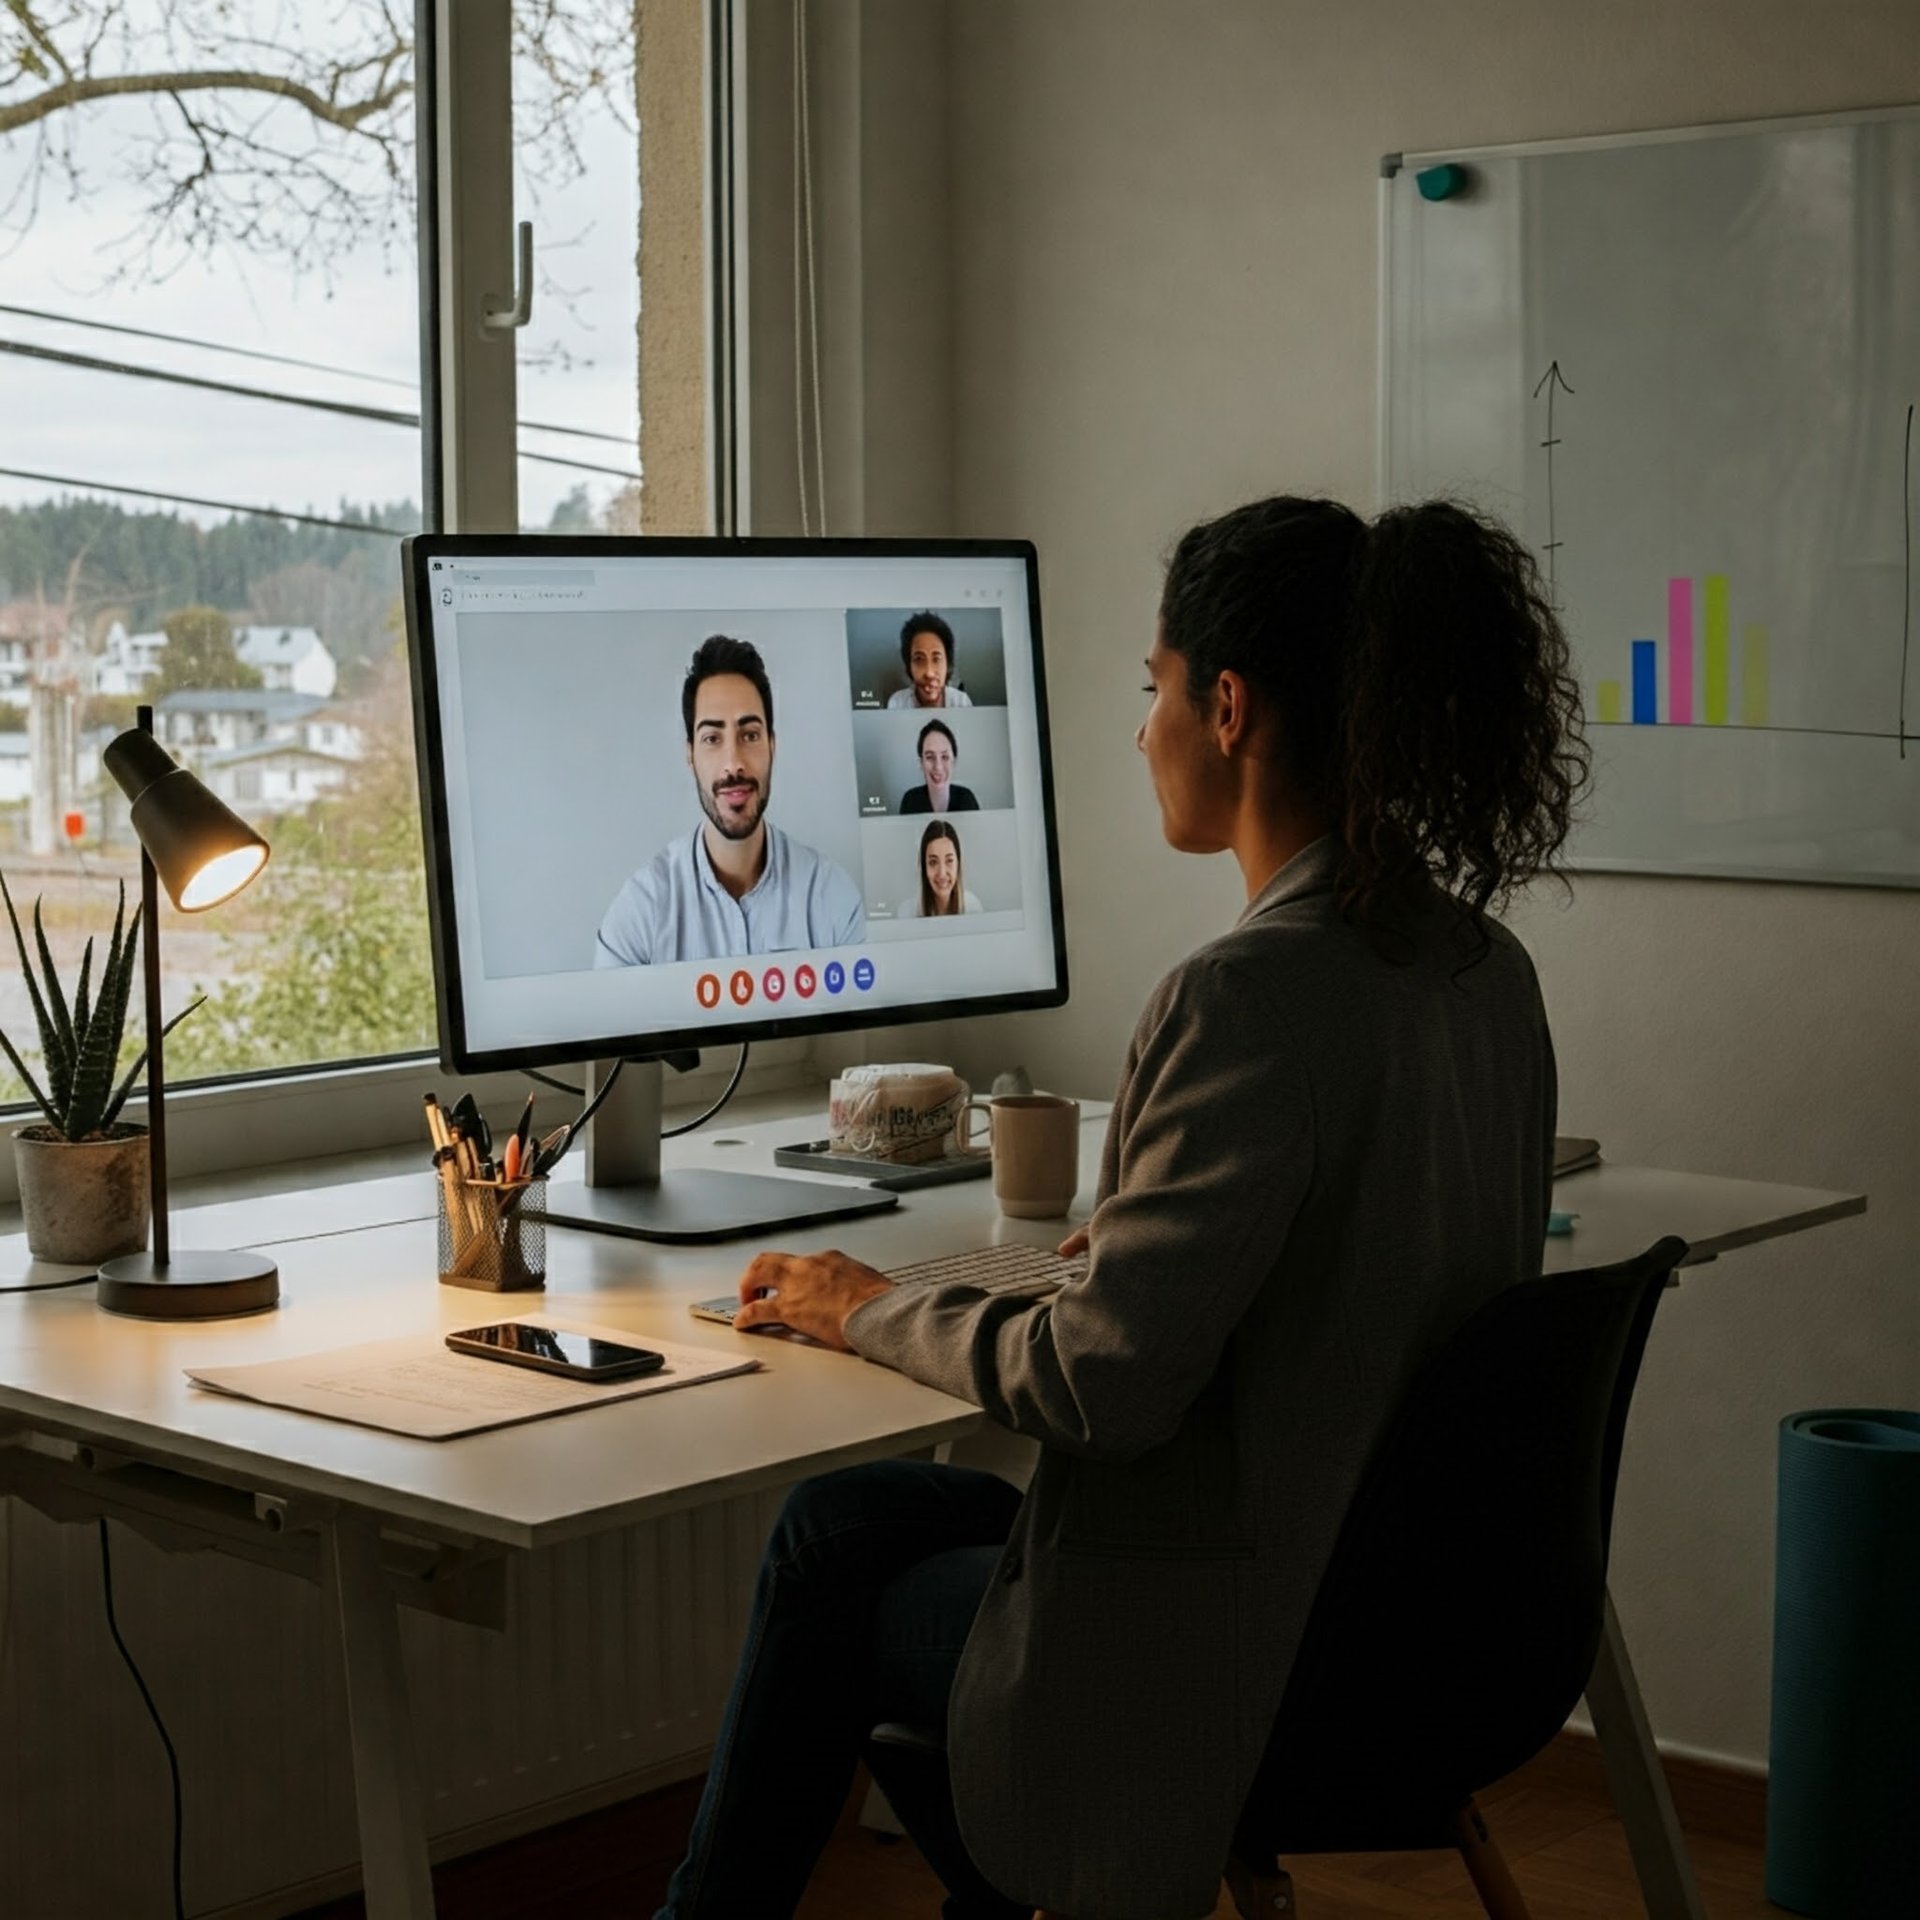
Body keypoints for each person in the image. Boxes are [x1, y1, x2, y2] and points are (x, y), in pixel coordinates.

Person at [653, 495, 1586, 1920]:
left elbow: (1104, 1393)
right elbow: (1372, 1269)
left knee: (831, 1579)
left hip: (1231, 1644)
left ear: (1227, 706)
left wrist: (875, 1305)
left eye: (1150, 690)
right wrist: (1146, 1250)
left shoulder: (1245, 996)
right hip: (1413, 1628)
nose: (1138, 728)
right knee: (848, 1521)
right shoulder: (1484, 970)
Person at [595, 635, 865, 966]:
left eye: (749, 735)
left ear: (772, 745)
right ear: (690, 755)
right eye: (712, 738)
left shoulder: (833, 898)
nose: (733, 763)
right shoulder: (640, 914)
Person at [886, 610, 975, 709]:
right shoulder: (897, 703)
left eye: (936, 659)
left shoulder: (961, 702)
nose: (929, 673)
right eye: (919, 659)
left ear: (947, 663)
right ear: (909, 665)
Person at [900, 819, 983, 919]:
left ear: (958, 863)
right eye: (933, 862)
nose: (942, 873)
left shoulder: (973, 908)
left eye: (949, 861)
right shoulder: (907, 913)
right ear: (924, 866)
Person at [898, 718, 981, 815]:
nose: (938, 767)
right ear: (921, 763)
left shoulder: (967, 799)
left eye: (944, 757)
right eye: (930, 757)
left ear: (953, 761)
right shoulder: (910, 801)